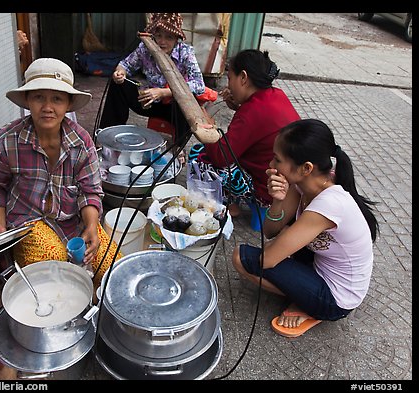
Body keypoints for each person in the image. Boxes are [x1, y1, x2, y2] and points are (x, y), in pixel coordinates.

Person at [232, 119, 379, 337]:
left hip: (337, 299)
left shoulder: (329, 203)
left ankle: (310, 307)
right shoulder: (305, 185)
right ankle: (303, 291)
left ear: (306, 168)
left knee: (240, 258)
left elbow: (267, 259)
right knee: (282, 239)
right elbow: (270, 231)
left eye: (278, 159)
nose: (271, 166)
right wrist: (278, 200)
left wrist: (280, 244)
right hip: (321, 266)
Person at [0, 58, 122, 286]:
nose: (47, 107)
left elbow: (89, 191)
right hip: (28, 221)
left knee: (113, 269)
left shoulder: (81, 141)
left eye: (57, 99)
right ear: (28, 101)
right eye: (39, 97)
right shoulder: (8, 142)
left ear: (68, 104)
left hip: (72, 220)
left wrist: (90, 226)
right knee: (55, 266)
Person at [187, 49, 300, 217]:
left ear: (243, 78)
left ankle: (223, 206)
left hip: (270, 189)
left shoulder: (252, 111)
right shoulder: (276, 95)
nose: (229, 85)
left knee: (199, 154)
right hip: (288, 184)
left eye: (230, 78)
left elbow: (221, 157)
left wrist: (210, 128)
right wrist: (239, 108)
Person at [98, 12, 206, 141]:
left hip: (172, 107)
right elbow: (126, 65)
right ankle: (108, 137)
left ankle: (178, 148)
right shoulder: (145, 48)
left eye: (169, 37)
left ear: (177, 38)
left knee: (186, 101)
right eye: (158, 35)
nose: (162, 42)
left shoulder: (186, 53)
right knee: (118, 84)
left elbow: (199, 85)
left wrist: (163, 92)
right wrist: (120, 73)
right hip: (148, 101)